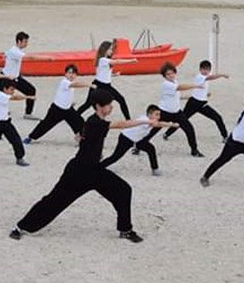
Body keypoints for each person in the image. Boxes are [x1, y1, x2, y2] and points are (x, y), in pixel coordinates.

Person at [9, 90, 162, 243]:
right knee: (53, 201)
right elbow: (120, 124)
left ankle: (125, 230)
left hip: (95, 171)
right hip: (78, 172)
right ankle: (20, 227)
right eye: (108, 105)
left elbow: (82, 136)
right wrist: (146, 121)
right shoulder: (95, 122)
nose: (111, 108)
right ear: (98, 106)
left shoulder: (92, 122)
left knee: (123, 190)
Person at [136, 62, 206, 157]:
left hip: (177, 112)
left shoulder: (175, 82)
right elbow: (180, 88)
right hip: (164, 112)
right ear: (164, 76)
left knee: (189, 129)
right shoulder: (166, 84)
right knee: (153, 131)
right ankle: (138, 146)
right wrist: (196, 86)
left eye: (172, 73)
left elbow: (178, 96)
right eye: (168, 74)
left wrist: (191, 96)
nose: (171, 75)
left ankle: (194, 150)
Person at [163, 60, 230, 142]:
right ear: (200, 69)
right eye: (204, 69)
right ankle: (166, 134)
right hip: (193, 103)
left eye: (207, 70)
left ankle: (225, 137)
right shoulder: (200, 76)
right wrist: (222, 75)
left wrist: (206, 94)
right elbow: (210, 78)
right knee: (182, 121)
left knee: (217, 118)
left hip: (202, 104)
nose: (205, 71)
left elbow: (203, 85)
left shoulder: (204, 78)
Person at [101, 104, 177, 176]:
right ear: (149, 114)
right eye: (156, 114)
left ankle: (155, 169)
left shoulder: (148, 119)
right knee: (115, 156)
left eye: (159, 114)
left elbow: (157, 123)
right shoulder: (146, 120)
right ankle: (100, 166)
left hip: (138, 140)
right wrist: (171, 124)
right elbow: (159, 124)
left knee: (150, 149)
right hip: (126, 138)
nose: (158, 117)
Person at [23, 64, 91, 144]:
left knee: (79, 122)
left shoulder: (70, 83)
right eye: (69, 73)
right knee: (45, 125)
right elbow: (75, 85)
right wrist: (89, 84)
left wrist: (71, 103)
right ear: (65, 74)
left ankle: (81, 138)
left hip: (68, 109)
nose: (71, 75)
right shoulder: (64, 82)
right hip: (56, 110)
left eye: (73, 73)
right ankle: (30, 137)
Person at [76, 40, 137, 120]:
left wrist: (113, 75)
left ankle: (128, 119)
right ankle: (75, 116)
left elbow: (103, 73)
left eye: (112, 49)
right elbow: (117, 61)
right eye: (110, 49)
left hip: (107, 86)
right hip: (98, 86)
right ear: (104, 49)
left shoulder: (106, 60)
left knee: (121, 99)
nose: (111, 51)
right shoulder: (102, 60)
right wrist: (131, 61)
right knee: (88, 104)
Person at [0, 31, 49, 121]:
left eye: (27, 41)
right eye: (25, 41)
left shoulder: (15, 50)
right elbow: (31, 58)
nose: (26, 44)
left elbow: (6, 54)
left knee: (31, 90)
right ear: (19, 41)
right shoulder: (15, 51)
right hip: (7, 78)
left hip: (16, 77)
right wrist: (47, 58)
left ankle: (28, 113)